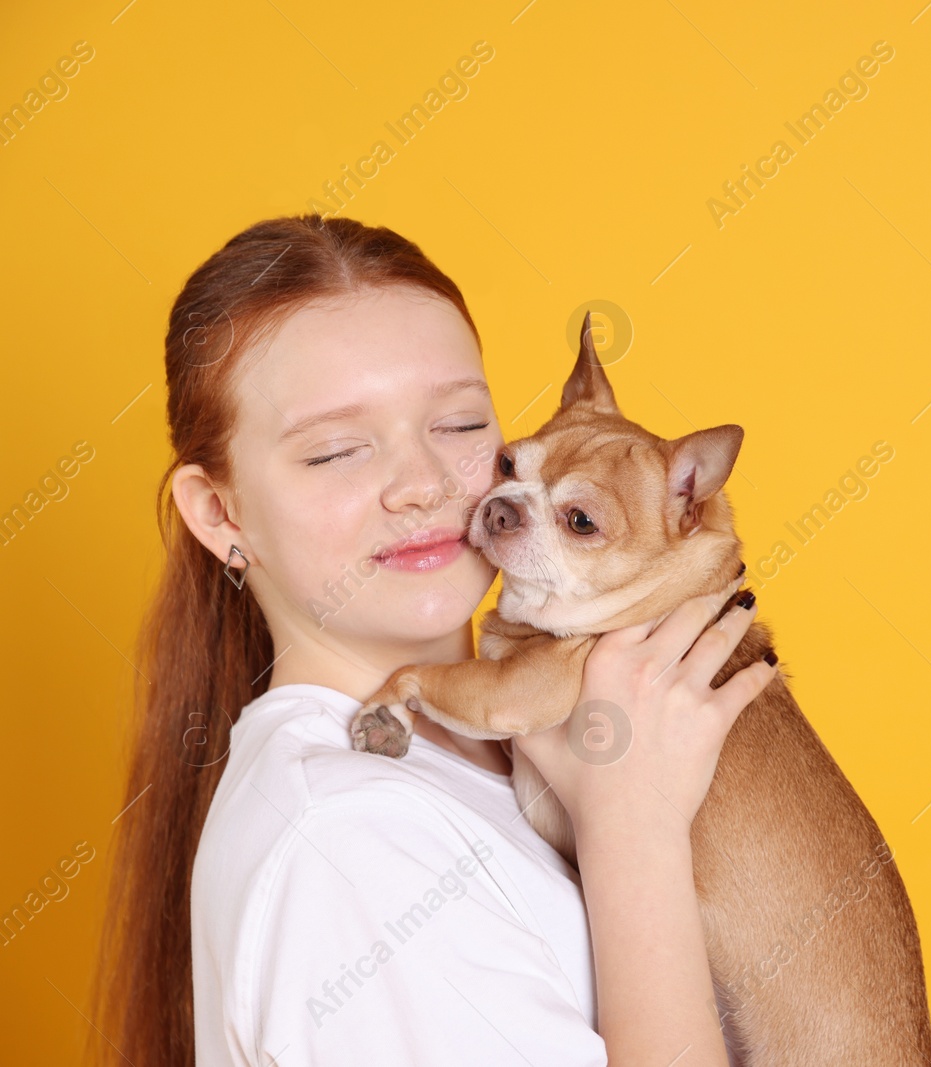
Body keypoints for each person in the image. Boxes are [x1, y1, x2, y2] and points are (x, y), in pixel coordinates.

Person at [89, 214, 776, 1066]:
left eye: (458, 426)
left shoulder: (555, 735)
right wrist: (633, 829)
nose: (421, 485)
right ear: (220, 515)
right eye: (336, 451)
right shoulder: (347, 844)